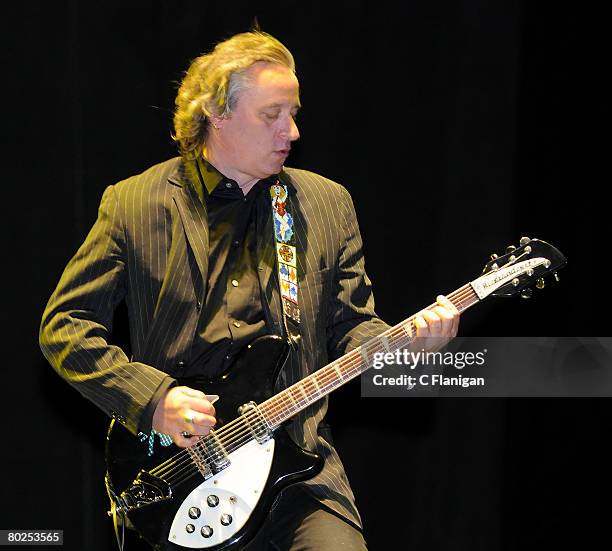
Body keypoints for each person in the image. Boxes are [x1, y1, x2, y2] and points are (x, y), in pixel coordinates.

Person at [39, 31, 459, 550]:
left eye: (294, 112)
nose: (293, 131)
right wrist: (153, 399)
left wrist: (408, 351)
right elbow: (65, 326)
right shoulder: (136, 203)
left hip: (299, 470)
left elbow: (352, 328)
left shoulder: (326, 204)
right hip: (182, 473)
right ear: (218, 113)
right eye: (272, 115)